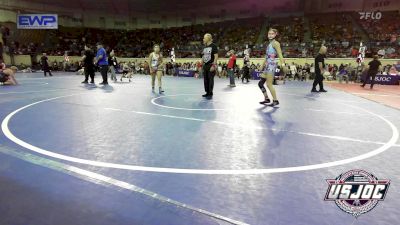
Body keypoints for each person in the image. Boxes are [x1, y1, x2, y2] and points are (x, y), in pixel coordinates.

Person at [258, 28, 285, 106]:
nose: (270, 35)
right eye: (269, 34)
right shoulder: (269, 44)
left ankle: (275, 100)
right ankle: (266, 98)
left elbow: (280, 54)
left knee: (269, 84)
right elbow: (266, 57)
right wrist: (262, 65)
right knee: (260, 83)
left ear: (275, 34)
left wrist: (283, 65)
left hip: (271, 66)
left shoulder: (275, 43)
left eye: (272, 34)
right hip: (267, 66)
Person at [201, 33, 218, 99]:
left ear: (208, 38)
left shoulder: (214, 46)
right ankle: (207, 92)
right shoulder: (205, 47)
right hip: (205, 65)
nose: (203, 39)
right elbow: (203, 56)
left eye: (204, 38)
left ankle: (210, 92)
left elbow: (216, 56)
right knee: (205, 80)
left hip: (211, 65)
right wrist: (200, 64)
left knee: (210, 79)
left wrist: (214, 65)